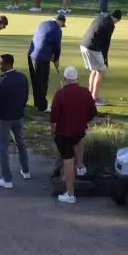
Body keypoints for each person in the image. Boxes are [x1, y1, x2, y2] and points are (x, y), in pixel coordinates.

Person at [50, 66, 97, 205]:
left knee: (68, 161)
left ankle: (70, 193)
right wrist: (84, 121)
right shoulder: (85, 93)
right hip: (79, 130)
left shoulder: (60, 94)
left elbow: (54, 118)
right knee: (78, 140)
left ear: (65, 79)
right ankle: (81, 166)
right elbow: (92, 112)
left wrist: (53, 131)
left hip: (64, 133)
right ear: (76, 79)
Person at [0, 54, 31, 188]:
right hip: (17, 116)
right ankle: (26, 170)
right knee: (20, 143)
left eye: (1, 63)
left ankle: (7, 179)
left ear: (8, 64)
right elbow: (25, 96)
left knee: (3, 148)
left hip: (3, 118)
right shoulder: (22, 77)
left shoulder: (2, 81)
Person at [81, 9, 122, 104]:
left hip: (84, 44)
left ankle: (90, 95)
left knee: (95, 70)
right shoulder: (110, 24)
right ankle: (94, 99)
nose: (117, 23)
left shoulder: (101, 17)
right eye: (118, 21)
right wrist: (105, 59)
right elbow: (106, 43)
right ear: (115, 18)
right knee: (101, 71)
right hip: (92, 47)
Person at [28, 14, 64, 111]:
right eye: (62, 24)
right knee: (42, 81)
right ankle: (42, 107)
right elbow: (57, 47)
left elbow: (45, 41)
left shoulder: (43, 24)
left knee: (36, 81)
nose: (61, 26)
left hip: (31, 54)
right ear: (60, 21)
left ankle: (38, 105)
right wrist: (56, 59)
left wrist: (53, 58)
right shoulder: (57, 29)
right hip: (41, 57)